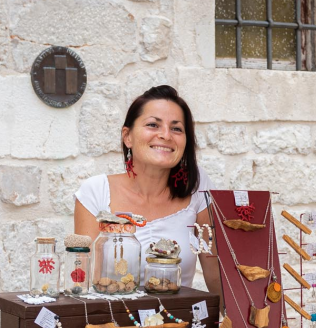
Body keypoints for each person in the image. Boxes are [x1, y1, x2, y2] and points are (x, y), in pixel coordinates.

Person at [73, 85, 219, 294]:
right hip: (111, 322)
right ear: (127, 136)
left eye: (176, 128)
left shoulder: (197, 187)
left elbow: (216, 274)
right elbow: (82, 281)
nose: (166, 135)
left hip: (179, 324)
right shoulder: (95, 192)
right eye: (153, 125)